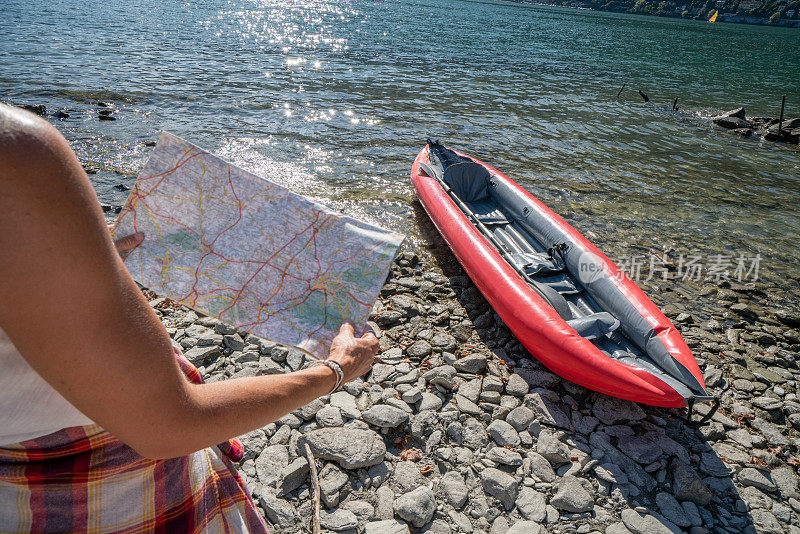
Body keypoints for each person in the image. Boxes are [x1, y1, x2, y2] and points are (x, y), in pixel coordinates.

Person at [0, 103, 380, 532]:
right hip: (111, 497)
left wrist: (77, 254)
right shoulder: (15, 151)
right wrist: (335, 371)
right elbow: (171, 424)